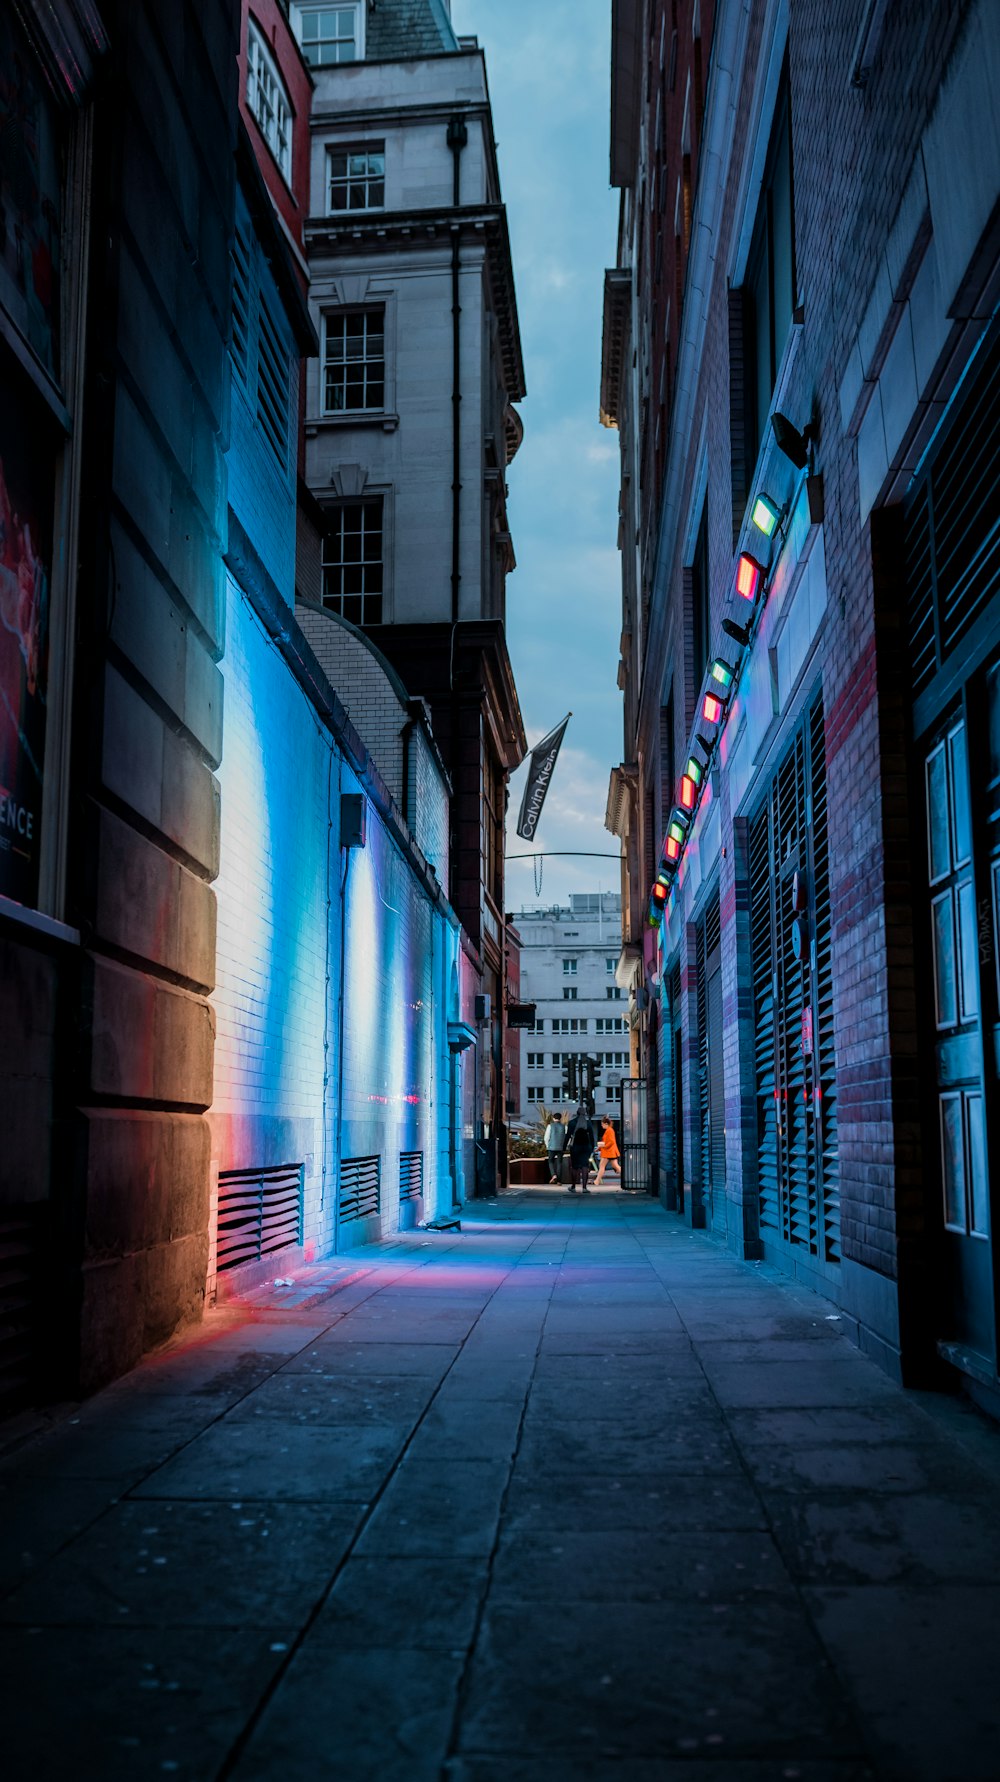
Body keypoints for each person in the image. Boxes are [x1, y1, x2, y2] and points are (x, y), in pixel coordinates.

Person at [566, 1103, 597, 1193]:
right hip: (586, 1147)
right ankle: (584, 1187)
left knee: (575, 1167)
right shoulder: (588, 1123)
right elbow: (591, 1137)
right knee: (585, 1167)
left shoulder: (572, 1123)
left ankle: (573, 1186)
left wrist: (564, 1146)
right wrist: (592, 1147)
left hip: (575, 1146)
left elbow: (568, 1135)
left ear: (577, 1113)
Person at [594, 1115, 622, 1187]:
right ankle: (626, 1176)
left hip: (608, 1152)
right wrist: (600, 1148)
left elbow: (610, 1142)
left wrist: (603, 1147)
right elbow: (609, 1142)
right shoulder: (609, 1130)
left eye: (602, 1124)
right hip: (611, 1152)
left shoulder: (609, 1131)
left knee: (602, 1166)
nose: (602, 1126)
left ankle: (597, 1180)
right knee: (616, 1166)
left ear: (606, 1124)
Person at [544, 1110, 567, 1184]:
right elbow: (567, 1138)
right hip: (561, 1147)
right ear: (560, 1118)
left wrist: (548, 1146)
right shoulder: (564, 1126)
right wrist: (565, 1146)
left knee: (550, 1161)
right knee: (559, 1163)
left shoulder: (550, 1126)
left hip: (551, 1147)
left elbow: (546, 1137)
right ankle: (559, 1181)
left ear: (553, 1118)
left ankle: (554, 1175)